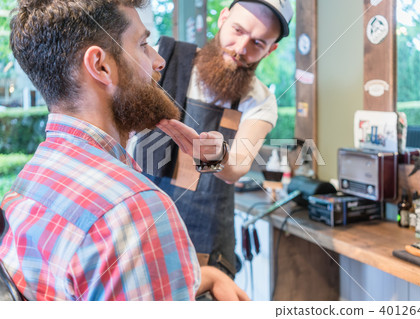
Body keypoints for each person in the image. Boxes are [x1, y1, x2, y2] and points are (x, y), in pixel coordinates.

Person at [0, 0, 248, 301]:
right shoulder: (135, 212)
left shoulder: (30, 181)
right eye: (143, 44)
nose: (159, 61)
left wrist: (205, 275)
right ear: (101, 66)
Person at [129, 0, 293, 278]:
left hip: (206, 240)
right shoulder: (163, 60)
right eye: (238, 30)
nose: (241, 48)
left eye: (258, 43)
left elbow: (237, 167)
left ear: (271, 49)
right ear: (224, 18)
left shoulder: (260, 101)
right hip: (140, 226)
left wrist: (216, 157)